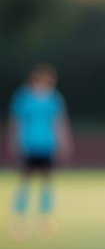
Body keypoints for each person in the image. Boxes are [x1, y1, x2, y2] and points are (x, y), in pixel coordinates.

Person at [7, 63, 73, 238]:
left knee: (46, 182)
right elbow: (16, 122)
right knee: (25, 182)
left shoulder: (54, 98)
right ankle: (19, 218)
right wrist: (14, 141)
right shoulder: (23, 98)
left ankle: (45, 217)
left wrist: (63, 143)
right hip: (29, 144)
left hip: (47, 145)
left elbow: (59, 123)